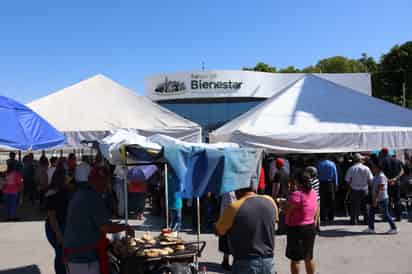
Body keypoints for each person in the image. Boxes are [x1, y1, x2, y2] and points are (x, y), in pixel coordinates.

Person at [64, 166, 134, 274]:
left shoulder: (81, 193)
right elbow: (104, 227)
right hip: (83, 256)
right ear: (98, 181)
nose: (107, 185)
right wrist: (124, 227)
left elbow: (95, 221)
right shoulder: (93, 197)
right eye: (106, 181)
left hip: (75, 252)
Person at [215, 186, 278, 274]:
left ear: (238, 190)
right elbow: (275, 221)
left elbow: (219, 230)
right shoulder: (270, 201)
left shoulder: (234, 207)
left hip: (244, 263)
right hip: (268, 261)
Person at [282, 172, 317, 274]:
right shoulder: (313, 192)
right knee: (309, 257)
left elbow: (288, 210)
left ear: (298, 182)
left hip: (297, 228)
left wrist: (282, 205)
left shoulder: (297, 195)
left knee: (295, 260)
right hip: (310, 226)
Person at [45, 162, 73, 274]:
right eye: (66, 176)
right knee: (60, 254)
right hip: (56, 227)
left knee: (62, 254)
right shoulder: (53, 194)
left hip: (60, 226)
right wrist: (59, 233)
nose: (68, 178)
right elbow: (52, 217)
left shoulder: (65, 192)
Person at [365, 156, 398, 234]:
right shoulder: (377, 176)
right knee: (371, 212)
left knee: (385, 214)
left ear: (378, 168)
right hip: (377, 198)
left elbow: (380, 189)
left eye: (373, 167)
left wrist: (375, 199)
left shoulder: (381, 176)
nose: (372, 169)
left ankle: (394, 228)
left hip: (382, 199)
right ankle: (371, 228)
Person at [344, 153, 373, 225]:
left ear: (354, 160)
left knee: (354, 206)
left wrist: (350, 187)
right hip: (364, 189)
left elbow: (347, 180)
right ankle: (366, 220)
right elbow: (370, 180)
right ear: (360, 160)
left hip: (354, 189)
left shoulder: (351, 168)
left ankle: (354, 220)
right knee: (365, 205)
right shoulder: (366, 168)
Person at [379, 148, 404, 221]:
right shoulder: (397, 160)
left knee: (387, 200)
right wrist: (395, 179)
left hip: (387, 183)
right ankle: (399, 216)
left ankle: (387, 216)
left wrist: (388, 180)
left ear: (384, 153)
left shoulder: (382, 161)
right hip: (396, 183)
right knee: (397, 200)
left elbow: (381, 172)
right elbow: (402, 171)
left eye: (381, 153)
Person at [218, 191, 237, 270]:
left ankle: (226, 261)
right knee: (231, 241)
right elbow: (233, 205)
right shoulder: (231, 191)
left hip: (226, 217)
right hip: (230, 218)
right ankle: (229, 262)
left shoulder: (228, 189)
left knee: (226, 240)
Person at [317, 156, 338, 223]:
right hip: (330, 184)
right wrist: (336, 184)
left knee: (322, 201)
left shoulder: (319, 164)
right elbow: (335, 175)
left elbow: (317, 174)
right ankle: (331, 217)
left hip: (321, 183)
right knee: (331, 200)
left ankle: (323, 217)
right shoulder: (332, 164)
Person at [304, 166, 320, 231]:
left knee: (313, 215)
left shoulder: (310, 181)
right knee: (317, 214)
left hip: (312, 199)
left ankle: (313, 228)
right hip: (318, 198)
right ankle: (318, 227)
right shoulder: (317, 180)